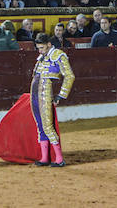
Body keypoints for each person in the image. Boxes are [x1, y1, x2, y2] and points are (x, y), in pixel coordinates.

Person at [31, 33, 74, 167]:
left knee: (48, 126)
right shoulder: (41, 57)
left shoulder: (58, 55)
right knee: (40, 126)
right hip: (35, 94)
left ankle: (59, 159)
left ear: (49, 44)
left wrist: (61, 95)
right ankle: (44, 158)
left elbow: (69, 76)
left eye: (42, 48)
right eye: (38, 48)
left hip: (45, 94)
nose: (40, 51)